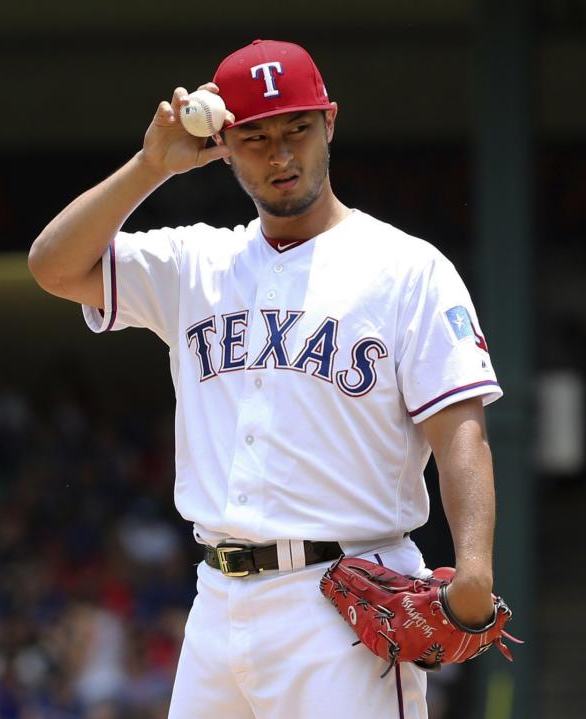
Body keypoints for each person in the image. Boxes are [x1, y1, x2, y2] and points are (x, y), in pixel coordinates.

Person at [28, 38, 503, 719]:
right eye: (255, 137)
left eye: (297, 129)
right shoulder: (196, 262)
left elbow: (460, 431)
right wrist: (149, 167)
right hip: (217, 603)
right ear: (222, 143)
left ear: (330, 122)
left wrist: (477, 568)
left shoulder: (406, 269)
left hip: (346, 600)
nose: (281, 155)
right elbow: (53, 265)